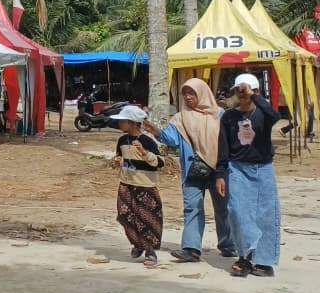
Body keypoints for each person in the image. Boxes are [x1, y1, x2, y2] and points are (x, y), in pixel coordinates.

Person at [145, 78, 231, 263]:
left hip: (219, 171)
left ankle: (228, 244)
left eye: (192, 93)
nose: (188, 97)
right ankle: (191, 249)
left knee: (223, 209)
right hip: (192, 170)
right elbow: (172, 140)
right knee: (192, 209)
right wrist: (156, 131)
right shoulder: (180, 118)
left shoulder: (220, 115)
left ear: (202, 93)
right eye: (185, 94)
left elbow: (228, 142)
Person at [217, 73, 282, 278]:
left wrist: (254, 96)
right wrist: (220, 173)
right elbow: (223, 146)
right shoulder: (229, 116)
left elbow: (274, 116)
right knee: (237, 211)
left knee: (266, 215)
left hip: (263, 168)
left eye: (246, 91)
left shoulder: (263, 113)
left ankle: (263, 261)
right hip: (238, 168)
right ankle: (244, 257)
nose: (242, 94)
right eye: (239, 90)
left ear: (256, 92)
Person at [110, 105, 165, 267]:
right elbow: (119, 158)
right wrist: (116, 161)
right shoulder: (122, 140)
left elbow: (159, 162)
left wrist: (144, 153)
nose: (120, 124)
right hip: (126, 184)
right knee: (125, 214)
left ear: (133, 123)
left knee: (147, 218)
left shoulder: (147, 141)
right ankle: (137, 243)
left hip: (145, 185)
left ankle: (150, 251)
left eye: (123, 121)